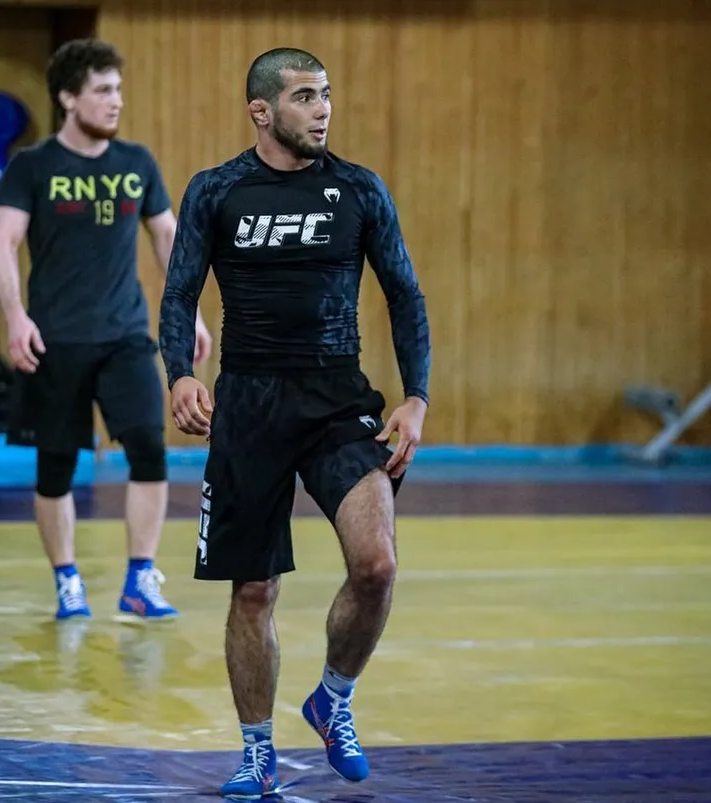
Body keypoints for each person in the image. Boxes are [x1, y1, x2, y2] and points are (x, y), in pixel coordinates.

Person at [158, 47, 431, 799]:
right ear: (261, 110)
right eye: (305, 96)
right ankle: (257, 753)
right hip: (248, 407)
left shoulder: (359, 189)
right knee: (254, 591)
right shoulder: (217, 190)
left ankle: (332, 699)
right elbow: (179, 294)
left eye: (326, 94)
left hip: (339, 399)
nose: (323, 109)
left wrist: (416, 396)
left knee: (377, 566)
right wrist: (180, 372)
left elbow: (405, 294)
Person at [0, 38, 212, 622]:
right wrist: (15, 315)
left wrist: (188, 313)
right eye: (103, 90)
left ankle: (140, 580)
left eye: (119, 90)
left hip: (125, 336)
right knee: (56, 467)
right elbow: (3, 242)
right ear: (68, 98)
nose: (116, 101)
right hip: (54, 340)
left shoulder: (136, 163)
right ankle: (67, 581)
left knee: (148, 448)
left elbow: (167, 238)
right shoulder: (33, 166)